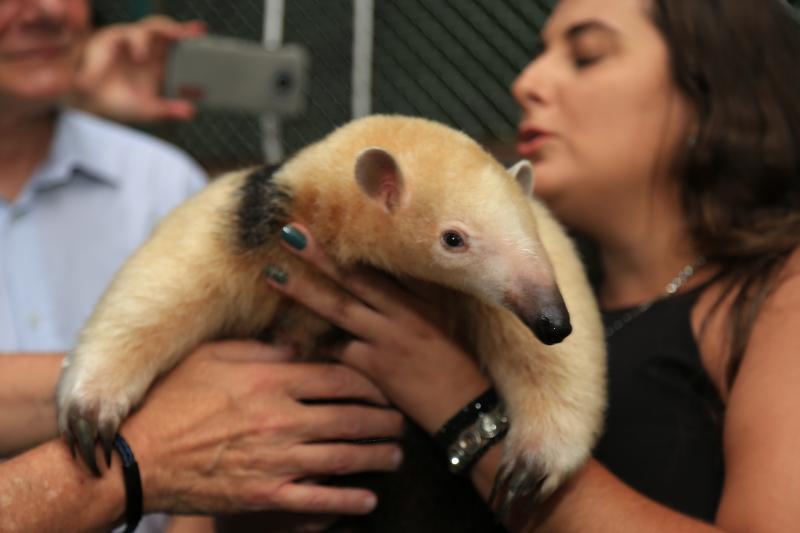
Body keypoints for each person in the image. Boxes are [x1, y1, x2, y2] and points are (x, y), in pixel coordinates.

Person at [263, 0, 800, 531]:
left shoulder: (776, 295)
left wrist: (459, 405)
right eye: (538, 52)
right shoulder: (473, 292)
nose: (526, 83)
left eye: (586, 55)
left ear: (710, 95)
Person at [0, 1, 402, 532]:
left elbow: (206, 475)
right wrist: (156, 407)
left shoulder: (160, 182)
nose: (48, 9)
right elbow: (202, 409)